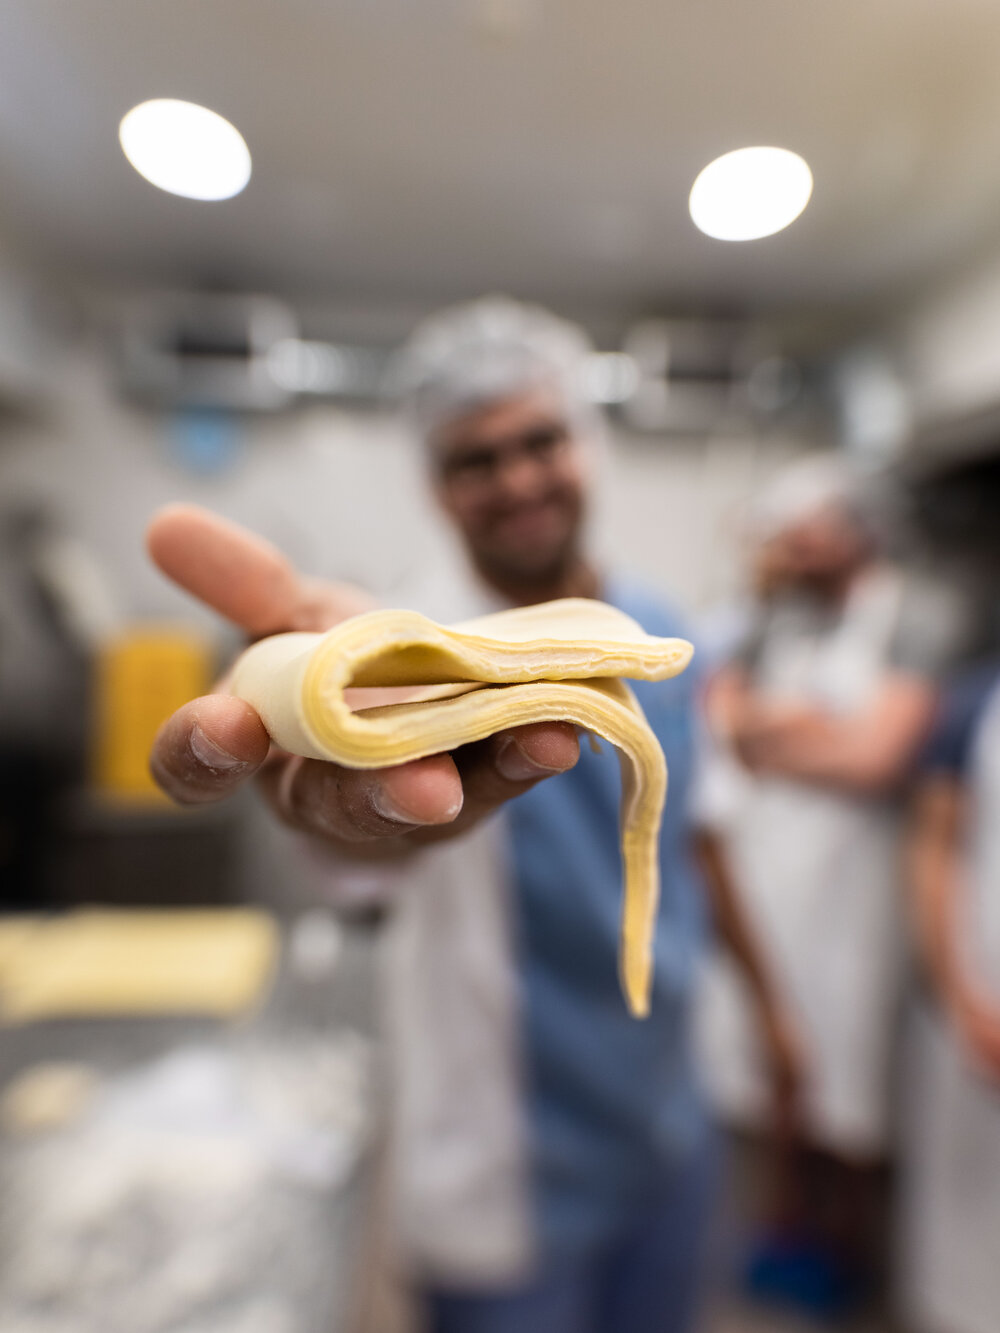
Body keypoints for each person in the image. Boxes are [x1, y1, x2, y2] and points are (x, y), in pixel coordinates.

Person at [148, 298, 800, 1333]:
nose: (517, 479)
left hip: (670, 1110)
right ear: (437, 490)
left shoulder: (659, 632)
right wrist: (355, 795)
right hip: (506, 1150)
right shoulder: (396, 658)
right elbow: (359, 837)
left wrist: (773, 1012)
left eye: (540, 440)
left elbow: (704, 836)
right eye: (474, 459)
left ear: (584, 448)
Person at [698, 456, 951, 1315]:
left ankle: (846, 1246)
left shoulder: (916, 616)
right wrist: (806, 733)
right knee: (776, 1060)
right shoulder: (781, 618)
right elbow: (727, 724)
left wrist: (785, 737)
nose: (795, 553)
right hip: (776, 876)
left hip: (859, 891)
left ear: (858, 531)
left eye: (809, 535)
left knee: (849, 1065)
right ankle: (786, 1227)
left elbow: (879, 757)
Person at [897, 661, 1000, 1333]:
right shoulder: (973, 702)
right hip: (976, 1004)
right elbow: (933, 844)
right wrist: (960, 995)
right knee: (963, 1246)